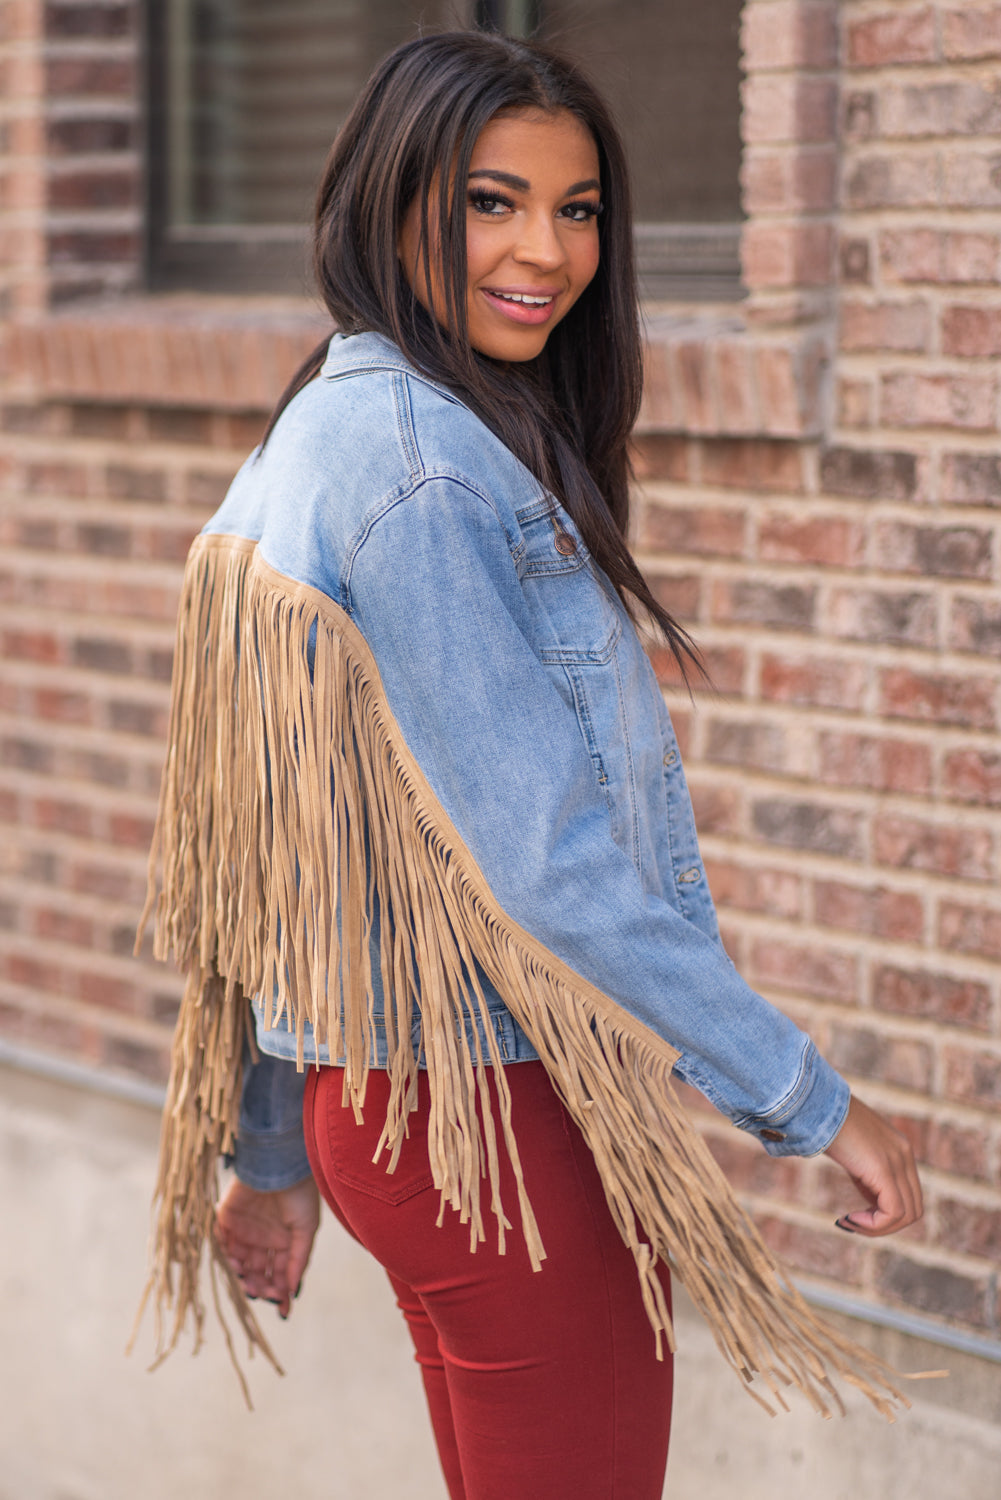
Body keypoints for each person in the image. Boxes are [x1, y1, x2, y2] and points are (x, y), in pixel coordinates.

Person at [136, 29, 923, 1500]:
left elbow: (267, 855)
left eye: (576, 211)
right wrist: (809, 1100)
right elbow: (546, 863)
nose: (544, 252)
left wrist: (271, 1146)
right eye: (491, 202)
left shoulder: (322, 430)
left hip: (381, 1108)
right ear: (392, 199)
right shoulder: (425, 473)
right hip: (486, 1113)